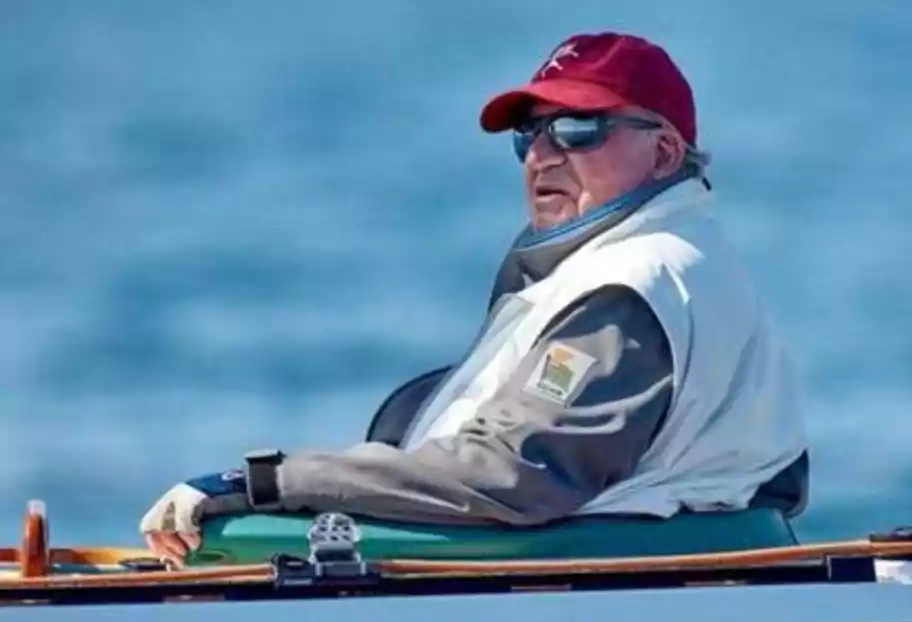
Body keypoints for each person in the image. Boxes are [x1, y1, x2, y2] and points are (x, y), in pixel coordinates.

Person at [141, 31, 811, 566]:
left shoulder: (632, 283)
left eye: (578, 130)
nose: (543, 155)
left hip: (593, 595)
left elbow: (509, 475)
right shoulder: (679, 261)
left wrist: (268, 483)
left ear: (665, 153)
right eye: (531, 135)